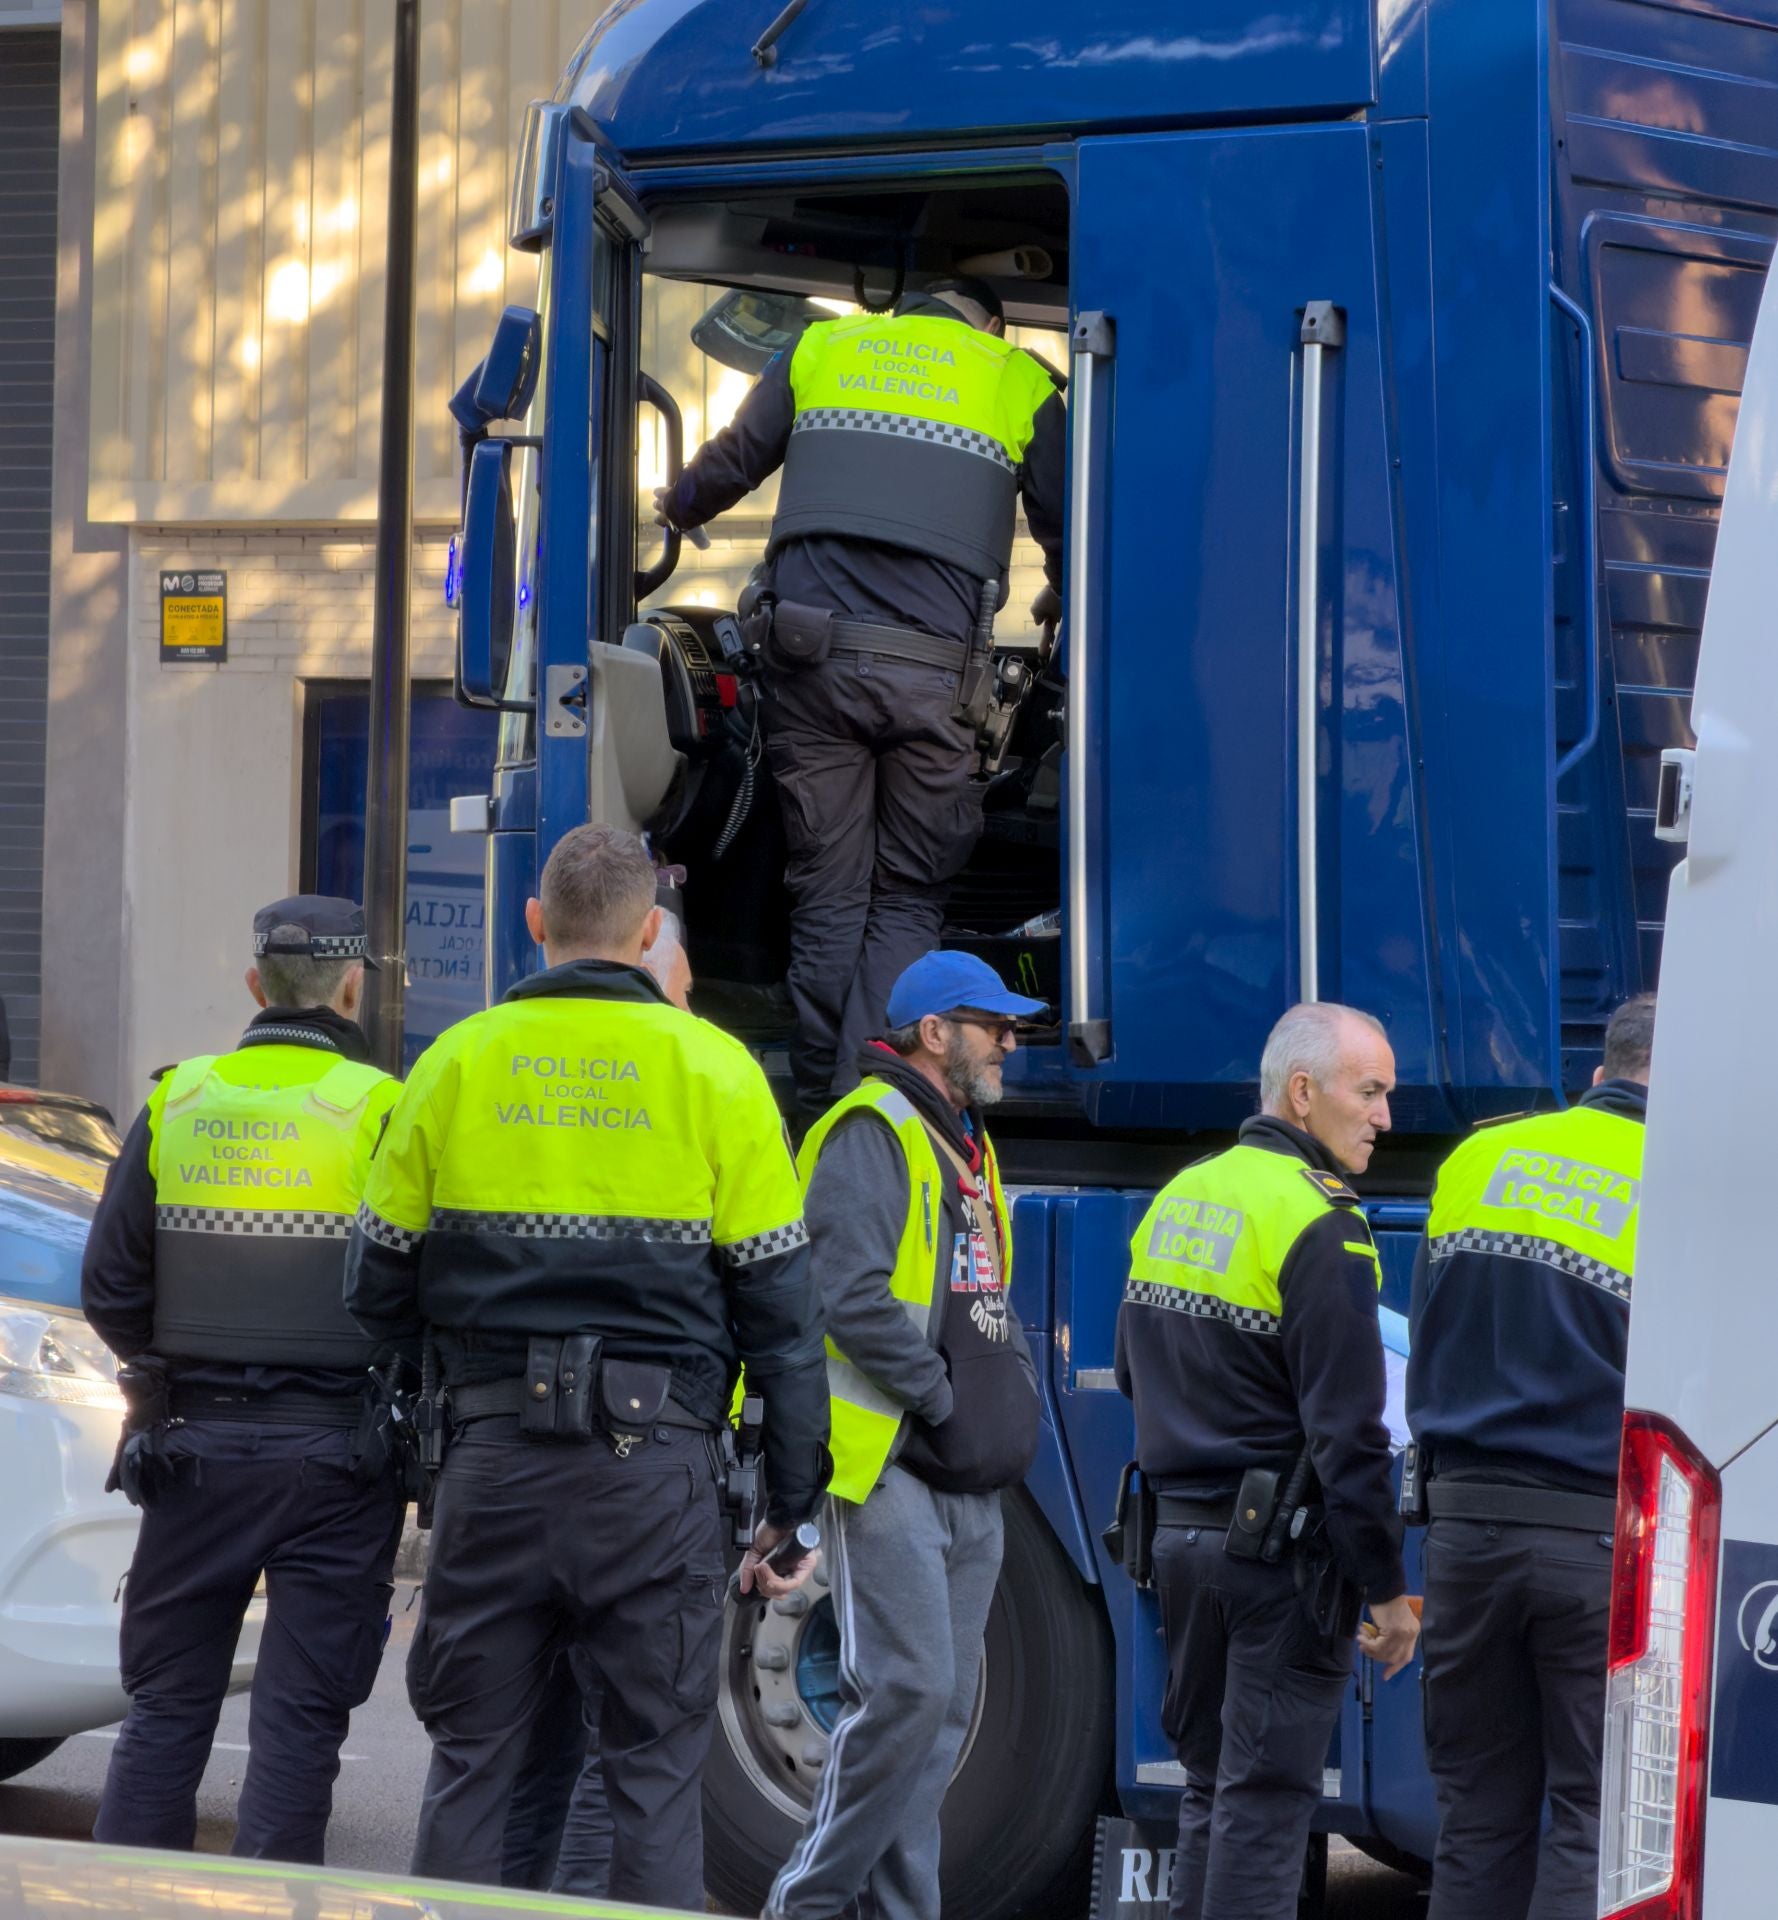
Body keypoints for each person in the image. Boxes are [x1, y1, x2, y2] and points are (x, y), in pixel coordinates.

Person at [342, 823, 830, 1907]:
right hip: (653, 1485)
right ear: (648, 930)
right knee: (651, 1777)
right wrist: (790, 1506)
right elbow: (783, 1320)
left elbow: (371, 1288)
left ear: (535, 923)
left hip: (490, 1471)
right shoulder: (719, 1071)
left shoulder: (455, 1061)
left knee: (474, 1769)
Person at [656, 276, 1066, 1118]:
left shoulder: (822, 348)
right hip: (937, 691)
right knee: (907, 899)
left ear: (902, 309)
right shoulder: (1016, 378)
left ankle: (818, 1104)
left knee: (829, 893)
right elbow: (1073, 524)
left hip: (812, 671)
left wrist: (676, 505)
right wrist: (1067, 607)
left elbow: (733, 458)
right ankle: (880, 1105)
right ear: (988, 322)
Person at [80, 896, 404, 1862]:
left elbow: (108, 1286)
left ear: (256, 986)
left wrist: (169, 1367)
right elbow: (422, 1286)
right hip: (341, 1461)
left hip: (190, 1450)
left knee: (164, 1715)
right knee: (299, 1733)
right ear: (352, 988)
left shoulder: (177, 1101)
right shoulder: (385, 1111)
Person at [1117, 1002, 1421, 1920]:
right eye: (1368, 1092)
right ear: (1302, 1092)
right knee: (1267, 1805)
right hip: (1283, 1565)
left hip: (1180, 1545)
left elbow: (1134, 1370)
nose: (1384, 1117)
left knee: (1213, 1790)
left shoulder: (1182, 1195)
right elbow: (1351, 1437)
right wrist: (1386, 1593)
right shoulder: (1322, 1222)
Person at [764, 950, 1045, 1920]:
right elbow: (845, 1295)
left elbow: (975, 1294)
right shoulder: (872, 1132)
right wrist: (939, 1396)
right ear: (936, 1034)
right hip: (891, 1460)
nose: (1009, 1041)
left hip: (960, 1469)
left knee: (939, 1719)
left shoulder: (960, 1136)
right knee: (909, 1696)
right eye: (992, 1025)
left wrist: (1005, 1399)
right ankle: (806, 1902)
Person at [1407, 993, 1654, 1920]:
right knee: (1594, 1814)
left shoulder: (1481, 1155)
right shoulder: (1671, 1177)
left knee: (1475, 1813)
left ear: (1598, 1072)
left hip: (1464, 1533)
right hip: (1594, 1540)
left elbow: (1431, 1315)